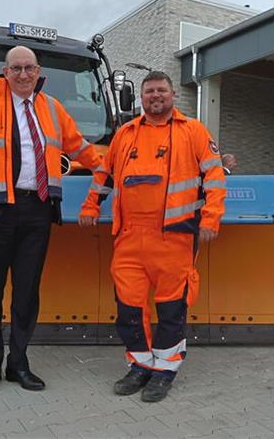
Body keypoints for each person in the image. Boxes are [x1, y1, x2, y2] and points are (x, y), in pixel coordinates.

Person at [0, 46, 102, 398]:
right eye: (16, 68)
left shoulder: (51, 108)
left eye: (29, 68)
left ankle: (18, 363)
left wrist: (112, 167)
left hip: (38, 210)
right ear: (5, 71)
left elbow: (79, 147)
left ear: (38, 71)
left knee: (27, 292)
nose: (22, 74)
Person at [79, 71, 226, 402]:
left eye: (161, 90)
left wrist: (211, 218)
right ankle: (140, 366)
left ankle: (165, 370)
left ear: (173, 95)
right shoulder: (125, 134)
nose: (155, 96)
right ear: (141, 98)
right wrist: (90, 206)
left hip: (174, 236)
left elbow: (214, 176)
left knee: (172, 308)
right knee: (129, 308)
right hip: (130, 238)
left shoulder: (193, 132)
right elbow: (104, 173)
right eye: (149, 92)